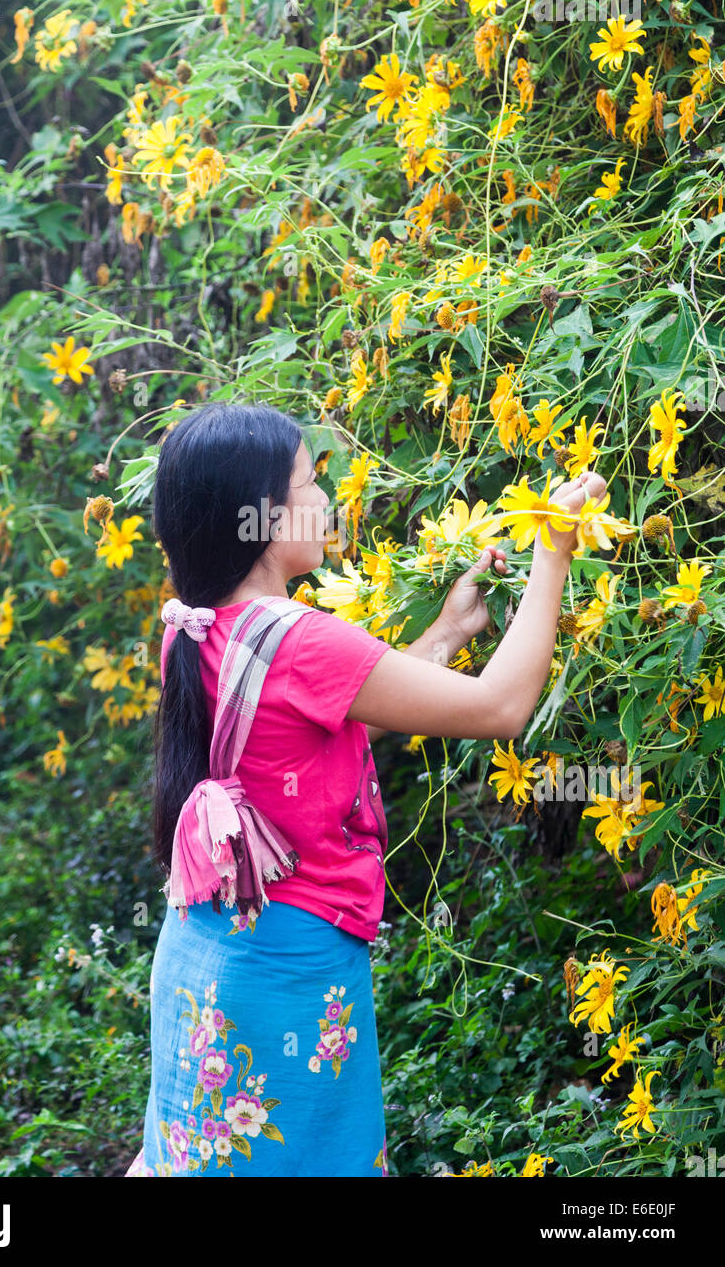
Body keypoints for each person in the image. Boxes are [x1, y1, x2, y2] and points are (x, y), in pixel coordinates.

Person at [124, 400, 604, 1177]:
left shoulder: (200, 624)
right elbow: (502, 707)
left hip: (203, 953)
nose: (326, 503)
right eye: (311, 485)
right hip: (287, 966)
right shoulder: (305, 640)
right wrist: (553, 552)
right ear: (262, 519)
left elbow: (326, 722)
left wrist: (448, 633)